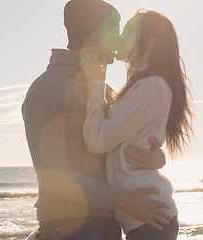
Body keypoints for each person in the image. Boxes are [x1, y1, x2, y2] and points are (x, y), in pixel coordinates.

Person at [21, 1, 173, 239]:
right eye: (115, 32)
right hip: (70, 227)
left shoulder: (103, 89)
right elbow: (53, 176)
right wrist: (123, 200)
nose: (120, 41)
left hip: (111, 225)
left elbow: (120, 140)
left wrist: (157, 157)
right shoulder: (47, 88)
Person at [79, 8, 194, 240]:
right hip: (144, 220)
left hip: (152, 220)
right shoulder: (136, 88)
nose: (121, 36)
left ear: (150, 42)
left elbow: (97, 140)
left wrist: (94, 83)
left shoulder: (152, 87)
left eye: (129, 31)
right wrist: (159, 157)